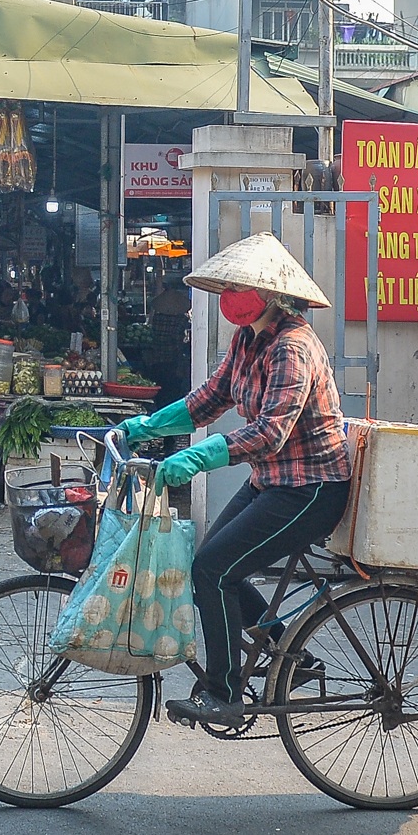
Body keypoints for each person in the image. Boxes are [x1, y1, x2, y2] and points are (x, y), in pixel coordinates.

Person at [114, 233, 347, 728]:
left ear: (269, 294)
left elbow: (271, 433)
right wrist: (147, 425)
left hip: (311, 488)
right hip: (273, 481)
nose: (229, 297)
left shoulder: (293, 347)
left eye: (239, 288)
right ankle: (290, 657)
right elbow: (209, 399)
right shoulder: (248, 339)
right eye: (226, 288)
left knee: (214, 571)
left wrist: (200, 458)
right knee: (211, 563)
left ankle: (223, 692)